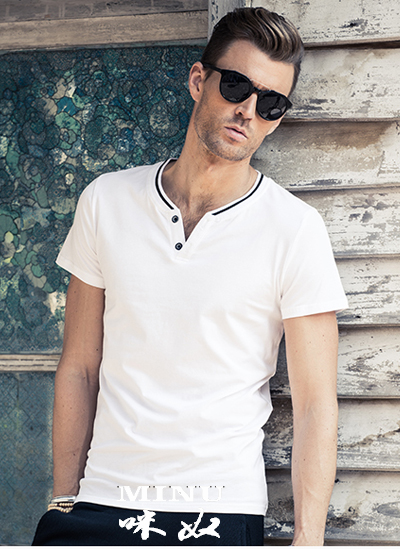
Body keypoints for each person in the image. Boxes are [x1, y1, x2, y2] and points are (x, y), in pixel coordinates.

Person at [32, 7, 348, 546]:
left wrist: (309, 540)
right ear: (199, 80)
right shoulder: (107, 201)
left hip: (218, 512)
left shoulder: (294, 229)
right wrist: (64, 501)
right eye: (237, 86)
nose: (248, 111)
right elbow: (80, 367)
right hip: (102, 502)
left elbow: (317, 405)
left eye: (271, 103)